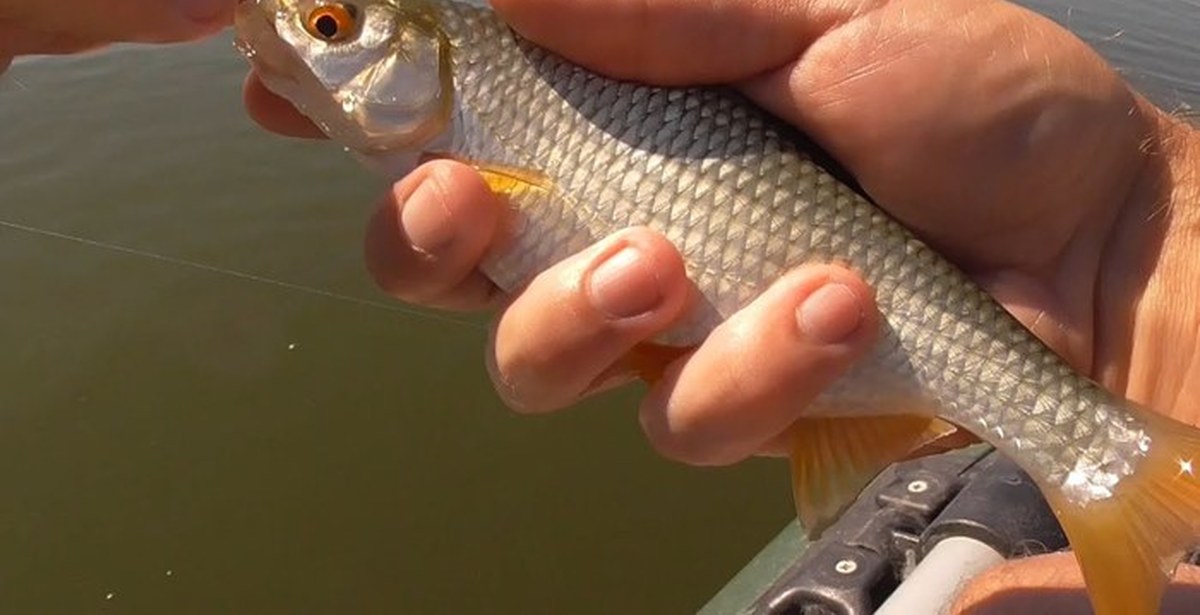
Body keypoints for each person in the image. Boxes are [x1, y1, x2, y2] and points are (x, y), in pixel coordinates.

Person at [6, 0, 1199, 611]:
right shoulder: (460, 129)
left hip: (913, 289)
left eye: (335, 29)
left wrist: (1130, 225)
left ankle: (1115, 469)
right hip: (942, 305)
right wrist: (1130, 232)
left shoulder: (508, 62)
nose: (315, 41)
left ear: (428, 54)